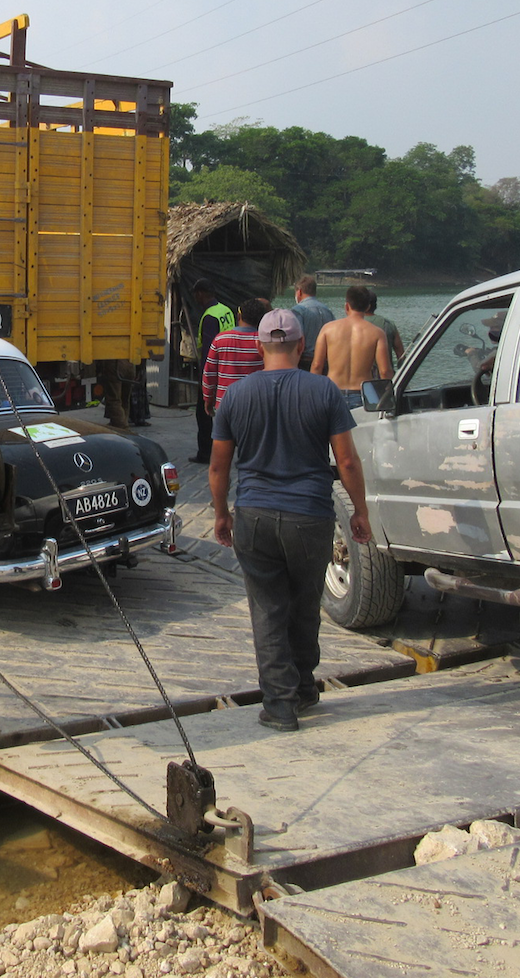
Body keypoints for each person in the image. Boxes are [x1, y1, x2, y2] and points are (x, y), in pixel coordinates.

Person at [210, 308, 372, 731]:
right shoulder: (324, 391)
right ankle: (303, 688)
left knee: (267, 610)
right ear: (302, 347)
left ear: (260, 346)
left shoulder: (235, 395)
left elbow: (218, 468)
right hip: (310, 515)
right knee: (304, 606)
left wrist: (221, 514)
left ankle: (281, 705)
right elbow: (348, 462)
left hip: (255, 515)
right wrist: (360, 512)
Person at [311, 284, 392, 409]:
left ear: (347, 306)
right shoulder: (377, 333)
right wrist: (389, 398)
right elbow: (384, 371)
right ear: (368, 307)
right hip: (363, 394)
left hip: (333, 391)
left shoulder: (328, 329)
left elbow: (317, 365)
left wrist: (314, 395)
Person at [189, 279, 235, 463]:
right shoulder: (226, 310)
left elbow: (208, 351)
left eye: (196, 295)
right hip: (228, 368)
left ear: (201, 293)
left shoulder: (209, 316)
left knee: (204, 413)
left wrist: (205, 378)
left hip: (214, 371)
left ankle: (206, 453)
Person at [201, 297, 269, 414]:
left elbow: (209, 373)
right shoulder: (265, 342)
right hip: (256, 406)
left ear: (238, 317)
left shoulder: (220, 340)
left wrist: (208, 399)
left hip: (225, 404)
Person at [289, 274, 335, 371]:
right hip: (326, 363)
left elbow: (297, 339)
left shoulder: (298, 311)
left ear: (299, 292)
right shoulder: (327, 311)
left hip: (305, 362)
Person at [361, 287, 406, 364]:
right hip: (386, 374)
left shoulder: (353, 325)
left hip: (359, 375)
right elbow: (401, 355)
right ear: (375, 305)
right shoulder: (388, 324)